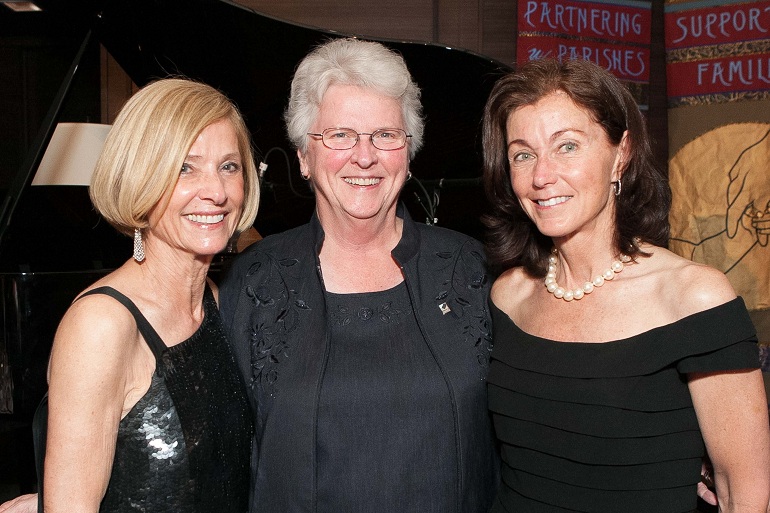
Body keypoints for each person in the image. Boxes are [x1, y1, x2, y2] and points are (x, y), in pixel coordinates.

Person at [218, 37, 499, 513]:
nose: (364, 156)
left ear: (408, 154)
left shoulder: (472, 270)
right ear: (304, 157)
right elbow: (217, 457)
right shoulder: (252, 284)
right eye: (340, 135)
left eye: (386, 135)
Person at [481, 57, 770, 512]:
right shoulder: (508, 296)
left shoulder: (693, 298)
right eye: (523, 154)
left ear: (622, 154)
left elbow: (743, 492)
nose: (541, 176)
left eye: (568, 146)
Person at [0, 78, 260, 513]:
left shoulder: (215, 300)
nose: (216, 191)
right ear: (141, 178)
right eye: (185, 167)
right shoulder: (102, 325)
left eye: (228, 166)